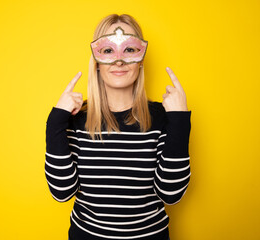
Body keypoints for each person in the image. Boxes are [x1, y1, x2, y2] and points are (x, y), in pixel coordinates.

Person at [45, 13, 191, 240]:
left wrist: (180, 119)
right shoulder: (76, 119)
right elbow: (62, 192)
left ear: (141, 57)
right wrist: (55, 120)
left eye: (129, 49)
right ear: (96, 59)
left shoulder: (164, 117)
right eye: (108, 50)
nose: (118, 60)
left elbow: (170, 193)